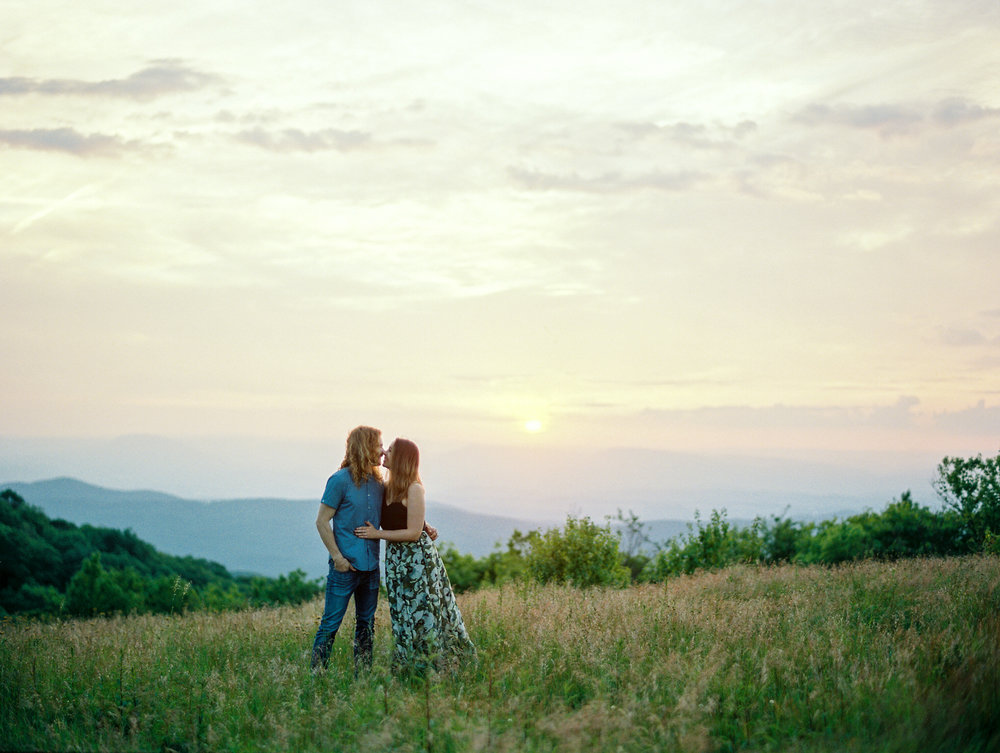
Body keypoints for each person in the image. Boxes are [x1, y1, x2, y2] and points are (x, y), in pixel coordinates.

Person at [310, 426, 437, 672]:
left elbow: (399, 508)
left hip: (371, 568)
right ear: (365, 447)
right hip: (344, 567)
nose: (382, 450)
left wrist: (425, 525)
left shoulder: (380, 482)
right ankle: (317, 676)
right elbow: (321, 521)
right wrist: (337, 557)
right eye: (379, 445)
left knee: (366, 625)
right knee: (330, 624)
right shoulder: (339, 481)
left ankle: (363, 676)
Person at [355, 438, 476, 673]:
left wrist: (376, 534)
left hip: (418, 561)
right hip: (396, 561)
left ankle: (436, 666)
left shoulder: (415, 488)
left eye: (389, 451)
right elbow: (408, 518)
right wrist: (426, 524)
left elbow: (412, 533)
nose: (384, 453)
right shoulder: (386, 487)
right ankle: (408, 665)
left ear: (400, 458)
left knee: (425, 611)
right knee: (401, 611)